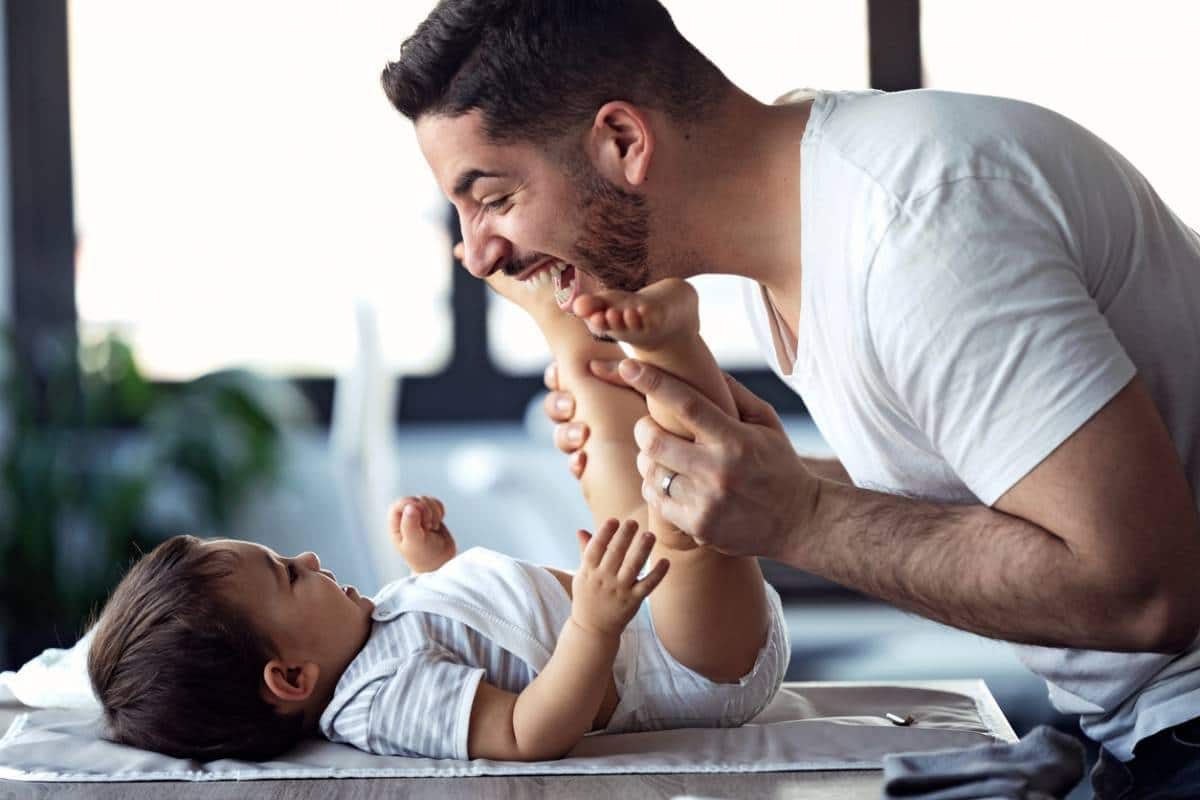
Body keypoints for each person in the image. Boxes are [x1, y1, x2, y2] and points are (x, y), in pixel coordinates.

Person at [384, 1, 1200, 794]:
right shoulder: (806, 221)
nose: (478, 253)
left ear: (624, 140)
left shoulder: (917, 227)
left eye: (492, 198)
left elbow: (1144, 595)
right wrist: (766, 478)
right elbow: (1021, 491)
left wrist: (800, 514)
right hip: (1133, 729)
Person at [85, 274, 787, 762]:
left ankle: (569, 324)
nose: (309, 560)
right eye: (289, 578)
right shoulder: (377, 702)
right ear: (291, 679)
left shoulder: (368, 636)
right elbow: (525, 731)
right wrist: (593, 621)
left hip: (646, 623)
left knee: (614, 461)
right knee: (683, 515)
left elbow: (473, 637)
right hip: (690, 673)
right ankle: (674, 344)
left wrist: (435, 566)